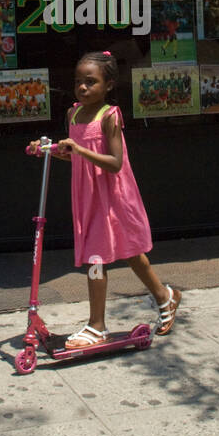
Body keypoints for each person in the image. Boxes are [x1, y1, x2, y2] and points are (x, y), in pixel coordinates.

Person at [29, 51, 182, 348]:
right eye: (78, 82)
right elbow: (76, 157)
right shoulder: (72, 114)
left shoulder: (110, 116)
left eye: (91, 82)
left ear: (109, 84)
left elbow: (114, 162)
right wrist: (49, 151)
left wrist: (79, 150)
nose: (83, 88)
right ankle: (165, 297)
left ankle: (96, 326)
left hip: (113, 195)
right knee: (128, 253)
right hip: (88, 196)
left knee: (104, 256)